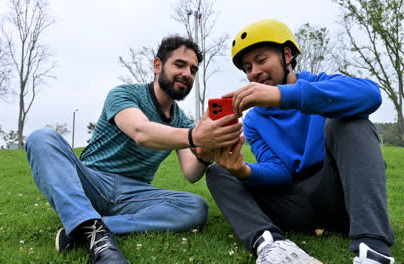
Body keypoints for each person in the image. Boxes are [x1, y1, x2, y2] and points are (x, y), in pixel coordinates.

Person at [25, 35, 242, 264]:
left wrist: (206, 154)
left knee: (196, 206)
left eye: (193, 69)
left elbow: (191, 173)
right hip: (92, 182)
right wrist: (194, 136)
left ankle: (84, 227)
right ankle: (95, 234)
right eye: (179, 64)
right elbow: (140, 131)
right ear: (157, 65)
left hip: (135, 194)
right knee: (42, 138)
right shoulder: (124, 94)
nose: (187, 73)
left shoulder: (181, 121)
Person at [206, 19, 396, 264]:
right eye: (247, 67)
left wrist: (281, 96)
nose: (254, 72)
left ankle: (374, 251)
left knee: (350, 121)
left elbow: (371, 95)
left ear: (286, 55)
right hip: (294, 204)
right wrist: (243, 170)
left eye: (261, 60)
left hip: (340, 196)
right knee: (217, 173)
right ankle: (273, 247)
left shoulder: (320, 86)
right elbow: (280, 171)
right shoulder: (253, 120)